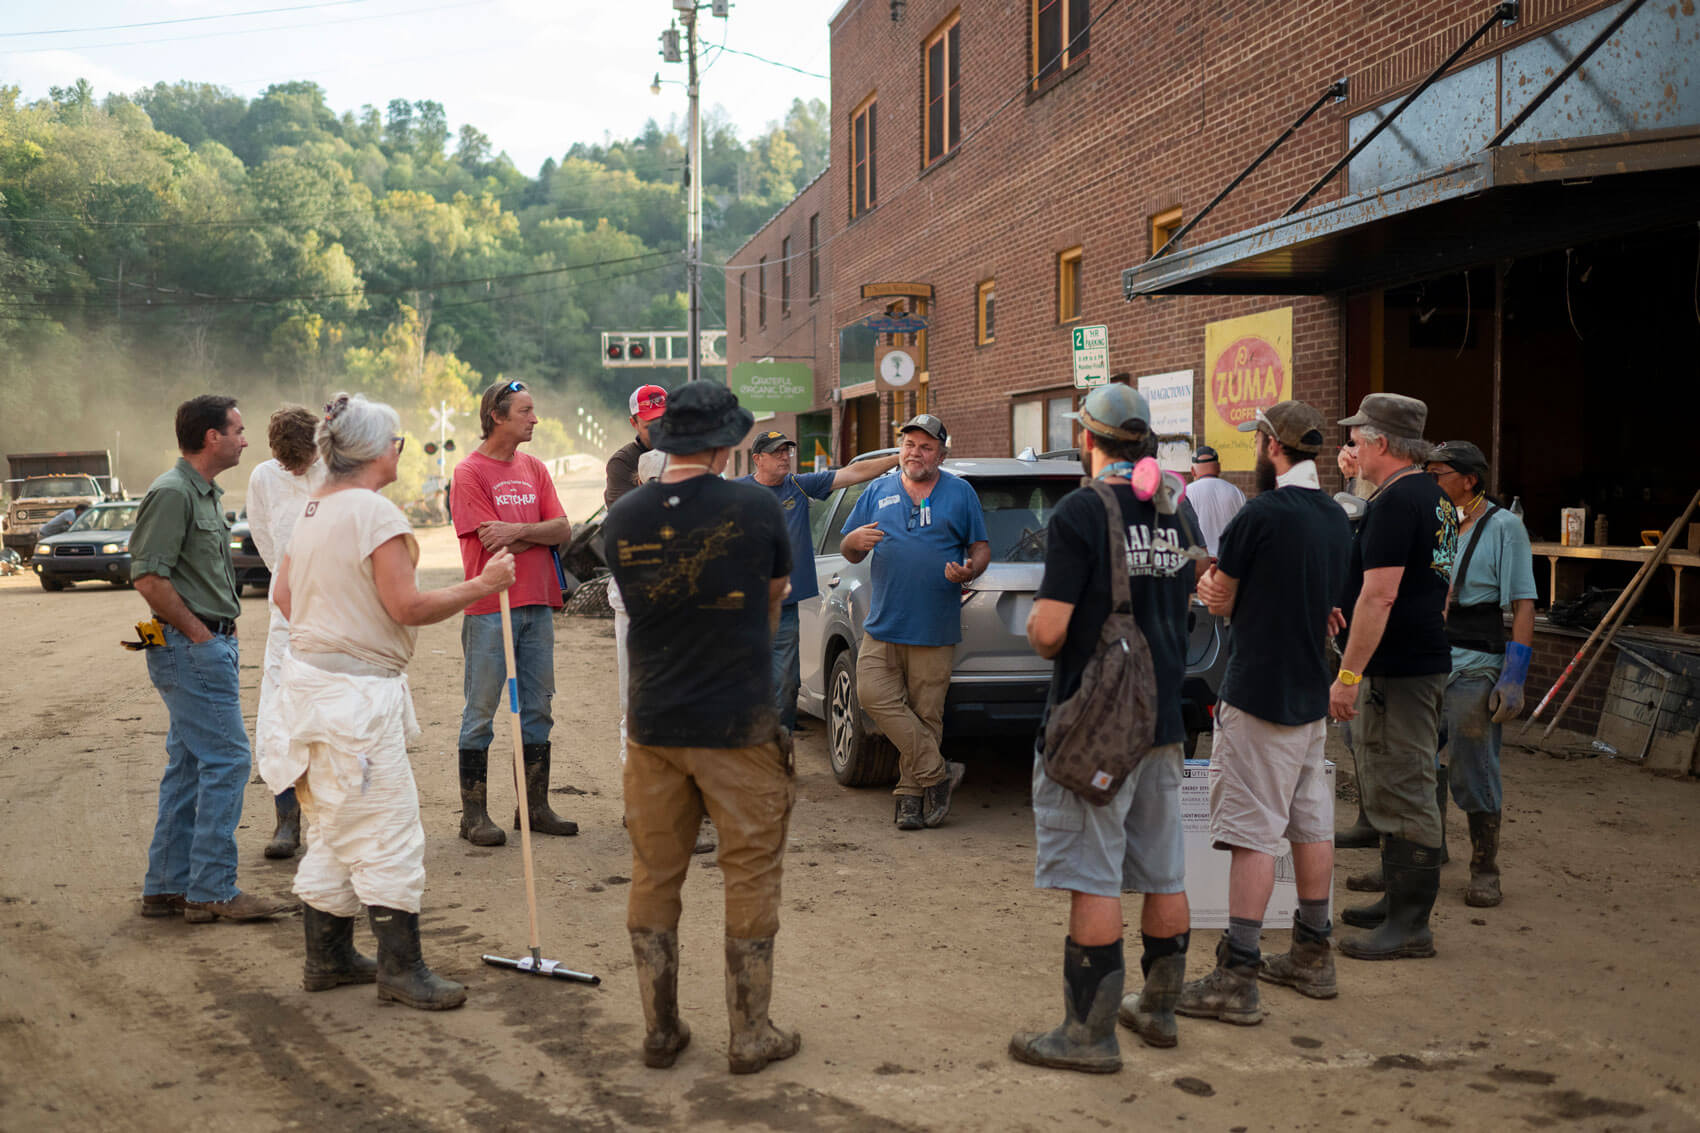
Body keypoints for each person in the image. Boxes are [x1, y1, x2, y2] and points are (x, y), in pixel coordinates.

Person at [268, 393, 516, 1011]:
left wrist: (333, 630)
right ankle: (401, 969)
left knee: (334, 825)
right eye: (399, 441)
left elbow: (282, 596)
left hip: (313, 687)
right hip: (355, 698)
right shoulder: (373, 513)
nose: (400, 450)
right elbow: (406, 607)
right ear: (380, 450)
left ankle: (327, 956)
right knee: (389, 829)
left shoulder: (315, 508)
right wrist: (482, 585)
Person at [603, 381, 800, 1075]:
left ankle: (661, 1029)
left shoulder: (623, 517)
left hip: (654, 723)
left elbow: (630, 601)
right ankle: (750, 1032)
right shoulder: (755, 505)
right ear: (724, 442)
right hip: (738, 722)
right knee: (749, 871)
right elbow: (775, 596)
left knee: (656, 872)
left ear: (665, 438)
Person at [1008, 384, 1196, 1073]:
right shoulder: (1172, 507)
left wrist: (1035, 627)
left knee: (1094, 875)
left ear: (1087, 438)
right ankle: (1159, 1008)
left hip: (1097, 728)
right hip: (1164, 717)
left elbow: (1052, 629)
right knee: (1163, 868)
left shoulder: (1082, 511)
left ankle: (1087, 1035)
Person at [1175, 402, 1352, 1024]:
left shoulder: (1260, 514)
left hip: (1259, 691)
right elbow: (1334, 604)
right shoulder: (1336, 517)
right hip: (1309, 692)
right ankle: (1312, 950)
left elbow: (1220, 599)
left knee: (1251, 833)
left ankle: (1237, 971)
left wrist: (1210, 585)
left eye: (1258, 438)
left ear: (1272, 444)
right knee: (1311, 824)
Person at [131, 395, 294, 923]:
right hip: (190, 649)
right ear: (210, 437)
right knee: (228, 760)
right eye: (238, 430)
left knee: (190, 764)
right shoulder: (174, 493)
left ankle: (167, 886)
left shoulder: (202, 493)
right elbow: (148, 578)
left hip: (198, 645)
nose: (246, 440)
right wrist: (202, 635)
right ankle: (212, 890)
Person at [1330, 393, 1458, 961]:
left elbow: (1377, 596)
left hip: (1399, 669)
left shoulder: (1396, 504)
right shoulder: (1435, 497)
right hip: (1421, 658)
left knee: (1405, 785)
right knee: (1395, 780)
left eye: (1358, 437)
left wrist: (1349, 673)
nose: (1351, 446)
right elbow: (1442, 589)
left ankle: (1411, 925)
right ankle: (1396, 905)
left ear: (1381, 442)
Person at [839, 414, 989, 831]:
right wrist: (853, 542)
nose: (915, 453)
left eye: (925, 446)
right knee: (871, 695)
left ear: (941, 453)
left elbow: (980, 547)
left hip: (933, 625)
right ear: (899, 449)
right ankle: (938, 772)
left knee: (926, 714)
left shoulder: (960, 493)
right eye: (908, 444)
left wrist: (970, 570)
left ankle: (910, 796)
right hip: (883, 622)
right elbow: (850, 549)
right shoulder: (877, 489)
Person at [451, 380, 576, 847]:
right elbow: (488, 539)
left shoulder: (534, 467)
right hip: (489, 607)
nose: (535, 418)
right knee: (481, 711)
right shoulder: (469, 472)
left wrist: (518, 532)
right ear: (497, 416)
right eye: (526, 411)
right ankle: (474, 815)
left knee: (539, 709)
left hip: (538, 603)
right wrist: (533, 535)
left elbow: (563, 529)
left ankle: (535, 807)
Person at [1426, 440, 1535, 908]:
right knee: (1417, 759)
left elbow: (1523, 603)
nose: (1431, 481)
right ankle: (1427, 852)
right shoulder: (1437, 521)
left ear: (1469, 479)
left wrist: (1515, 674)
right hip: (1430, 657)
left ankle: (1484, 867)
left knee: (1472, 762)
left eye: (1439, 474)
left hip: (1477, 662)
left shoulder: (1504, 527)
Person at [736, 430, 897, 732]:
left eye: (788, 451)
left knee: (785, 681)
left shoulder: (797, 485)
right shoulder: (735, 492)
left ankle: (778, 743)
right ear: (757, 459)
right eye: (777, 452)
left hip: (784, 606)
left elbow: (853, 473)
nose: (785, 457)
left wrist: (899, 457)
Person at [246, 405, 322, 861]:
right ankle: (285, 824)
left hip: (337, 611)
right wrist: (289, 581)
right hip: (287, 614)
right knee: (280, 717)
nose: (297, 469)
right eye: (288, 461)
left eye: (304, 460)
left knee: (335, 715)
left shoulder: (336, 467)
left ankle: (334, 826)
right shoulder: (262, 477)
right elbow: (265, 540)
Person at [605, 384, 668, 510]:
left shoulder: (687, 451)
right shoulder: (622, 463)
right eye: (649, 427)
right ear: (634, 423)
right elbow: (623, 517)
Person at [1184, 446, 1245, 557]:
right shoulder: (1236, 492)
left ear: (1192, 471)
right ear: (1219, 468)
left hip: (1201, 564)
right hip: (1229, 563)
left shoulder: (1186, 493)